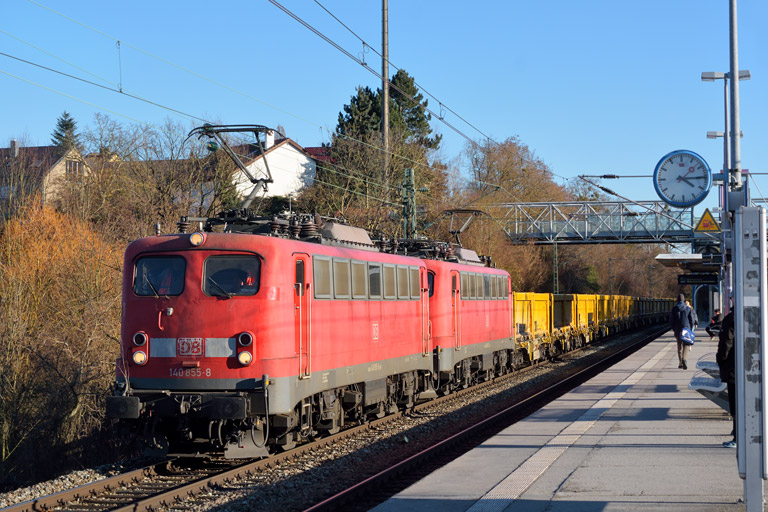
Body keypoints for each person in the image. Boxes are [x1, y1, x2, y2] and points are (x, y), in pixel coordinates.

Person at [716, 303, 736, 448]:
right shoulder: (755, 315)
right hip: (751, 367)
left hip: (733, 367)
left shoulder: (731, 318)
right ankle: (738, 434)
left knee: (735, 405)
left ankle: (737, 438)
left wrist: (720, 359)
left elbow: (726, 342)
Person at [669, 293, 694, 369]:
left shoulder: (674, 309)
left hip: (677, 329)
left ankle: (680, 363)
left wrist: (674, 328)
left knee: (679, 346)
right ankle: (684, 359)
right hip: (686, 329)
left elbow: (671, 320)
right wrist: (690, 329)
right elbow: (692, 320)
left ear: (677, 300)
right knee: (686, 344)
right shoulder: (688, 308)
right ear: (684, 300)